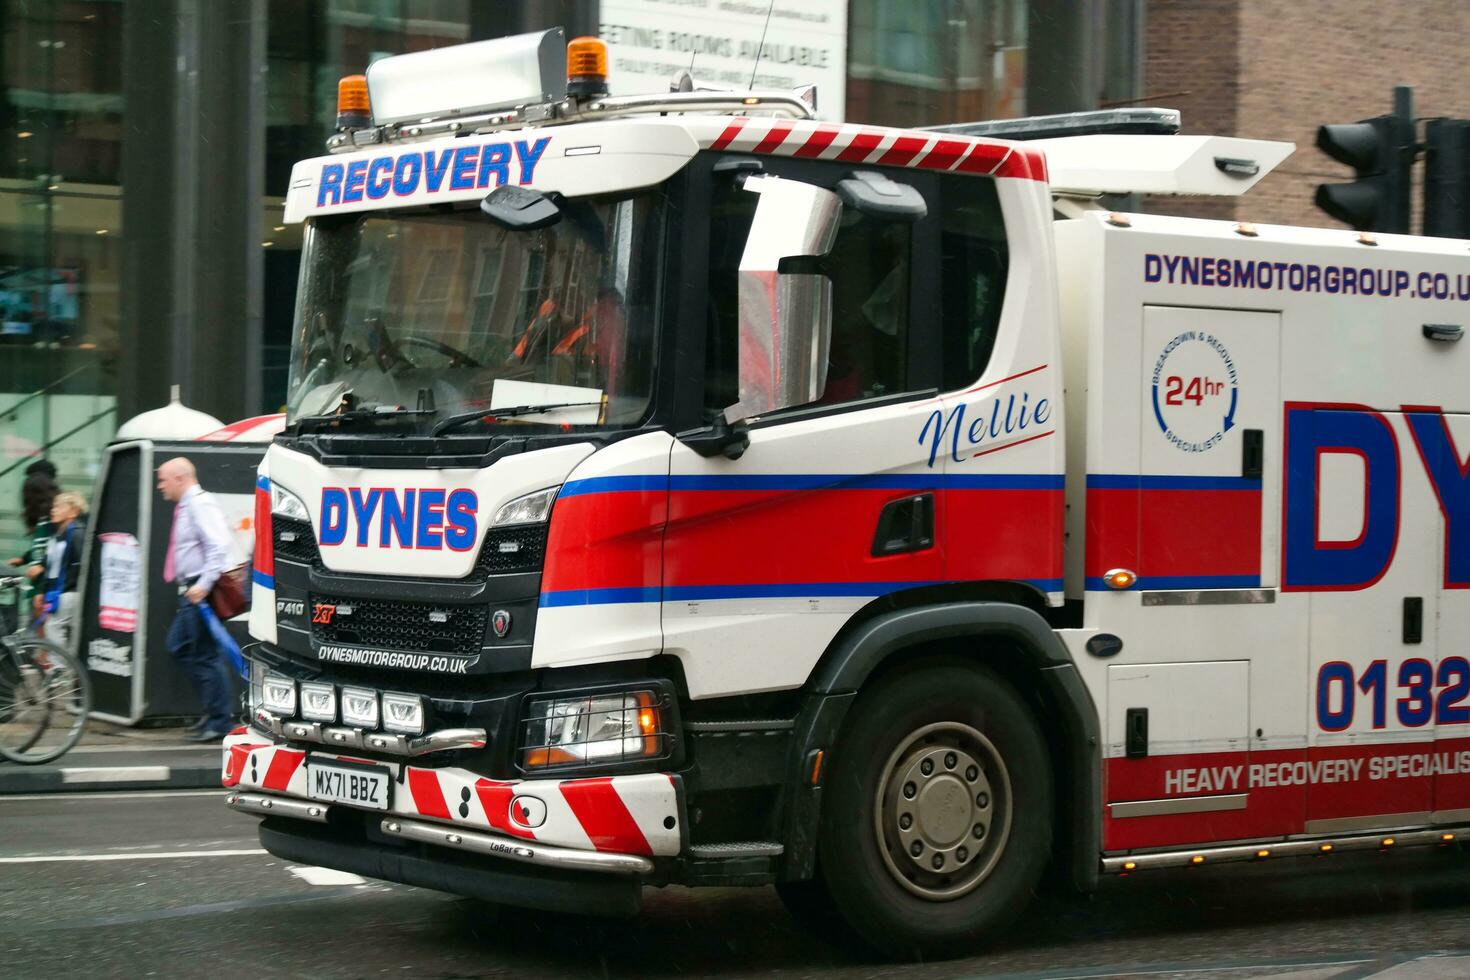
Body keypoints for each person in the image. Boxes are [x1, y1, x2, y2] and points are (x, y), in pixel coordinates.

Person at [156, 457, 236, 742]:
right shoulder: (188, 507)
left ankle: (219, 720)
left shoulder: (200, 504)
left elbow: (219, 545)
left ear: (180, 478)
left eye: (163, 479)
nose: (160, 486)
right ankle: (214, 711)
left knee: (204, 655)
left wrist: (203, 585)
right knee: (180, 647)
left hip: (201, 592)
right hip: (192, 591)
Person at [5, 469, 59, 635]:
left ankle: (43, 658)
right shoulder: (43, 519)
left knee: (39, 627)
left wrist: (41, 568)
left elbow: (54, 549)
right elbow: (39, 547)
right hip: (38, 582)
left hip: (44, 582)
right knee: (35, 627)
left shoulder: (51, 519)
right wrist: (23, 559)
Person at [37, 490, 86, 651]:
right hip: (60, 592)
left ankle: (61, 669)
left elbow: (81, 565)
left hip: (69, 592)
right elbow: (51, 566)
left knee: (53, 627)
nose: (53, 510)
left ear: (73, 511)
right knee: (60, 629)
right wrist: (42, 591)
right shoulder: (58, 535)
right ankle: (66, 669)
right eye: (54, 506)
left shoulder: (77, 533)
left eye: (58, 506)